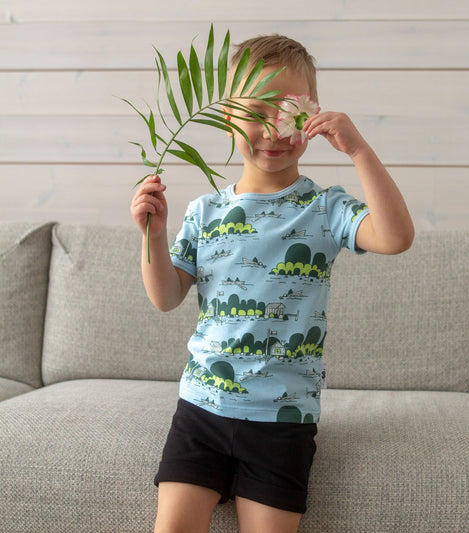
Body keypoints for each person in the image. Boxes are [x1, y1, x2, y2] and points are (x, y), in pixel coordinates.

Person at [131, 34, 414, 533]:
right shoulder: (205, 212)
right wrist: (153, 235)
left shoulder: (325, 208)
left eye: (289, 112)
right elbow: (165, 297)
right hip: (201, 411)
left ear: (312, 116)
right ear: (227, 116)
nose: (272, 130)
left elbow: (395, 237)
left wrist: (359, 150)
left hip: (283, 423)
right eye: (256, 111)